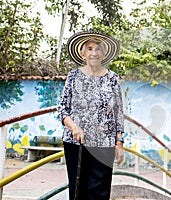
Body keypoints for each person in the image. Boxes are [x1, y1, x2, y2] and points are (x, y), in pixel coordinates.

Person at [57, 31, 125, 200]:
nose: (94, 52)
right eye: (90, 48)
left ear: (104, 53)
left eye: (98, 49)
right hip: (76, 143)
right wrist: (74, 127)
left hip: (104, 143)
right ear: (83, 53)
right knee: (78, 190)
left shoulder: (113, 79)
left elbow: (119, 113)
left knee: (100, 191)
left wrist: (119, 142)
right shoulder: (73, 77)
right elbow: (62, 109)